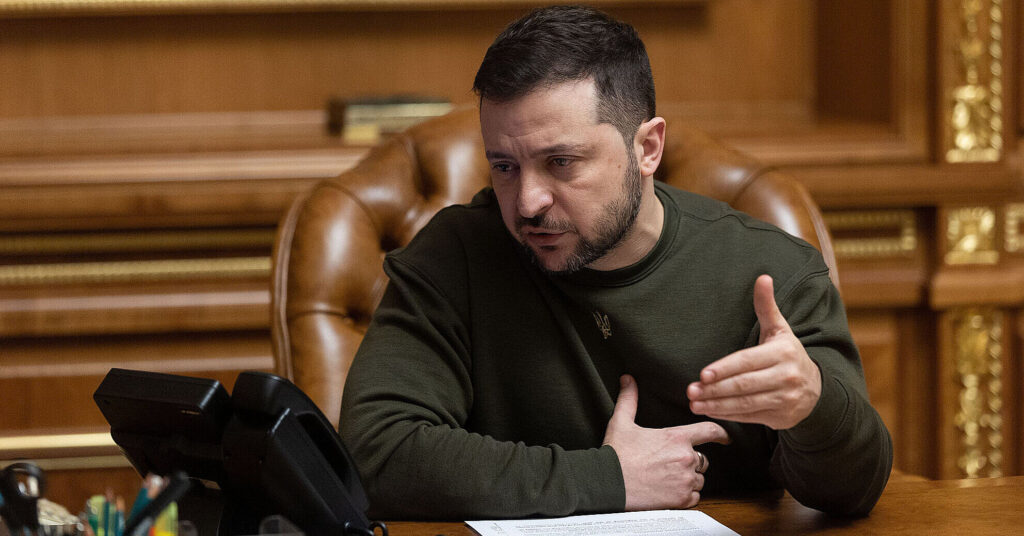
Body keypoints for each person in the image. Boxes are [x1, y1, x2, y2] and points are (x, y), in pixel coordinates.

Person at [339, 4, 892, 520]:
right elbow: (376, 454)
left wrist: (812, 406)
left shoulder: (770, 271)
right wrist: (608, 479)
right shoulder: (455, 254)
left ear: (647, 148)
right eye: (504, 166)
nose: (528, 202)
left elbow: (853, 490)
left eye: (561, 162)